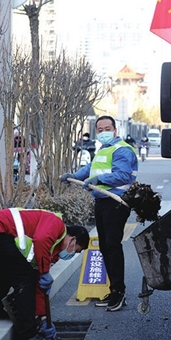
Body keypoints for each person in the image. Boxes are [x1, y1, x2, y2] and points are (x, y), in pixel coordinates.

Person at [0, 209, 89, 340]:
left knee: (11, 271)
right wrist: (44, 271)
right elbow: (41, 240)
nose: (72, 254)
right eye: (76, 250)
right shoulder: (56, 224)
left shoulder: (51, 248)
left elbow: (38, 285)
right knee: (25, 277)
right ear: (72, 240)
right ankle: (27, 335)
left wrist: (43, 318)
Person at [60, 116, 137, 312]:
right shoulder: (103, 149)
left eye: (107, 128)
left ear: (115, 130)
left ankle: (118, 292)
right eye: (100, 129)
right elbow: (91, 168)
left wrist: (99, 179)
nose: (103, 132)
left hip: (116, 202)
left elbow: (123, 175)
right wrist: (74, 176)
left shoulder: (122, 150)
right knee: (104, 246)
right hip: (102, 201)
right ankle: (114, 290)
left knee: (112, 246)